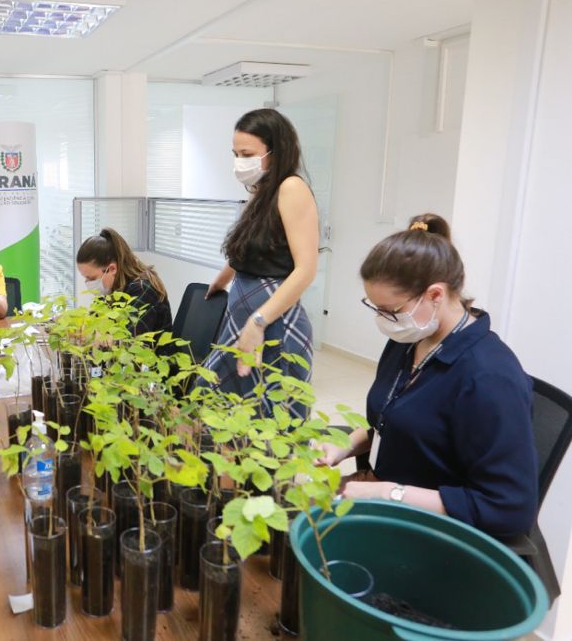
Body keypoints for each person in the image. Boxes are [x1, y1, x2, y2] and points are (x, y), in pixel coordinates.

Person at [319, 214, 537, 538]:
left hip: (436, 534)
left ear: (435, 295)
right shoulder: (410, 339)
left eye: (390, 311)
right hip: (385, 500)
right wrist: (345, 444)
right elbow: (401, 420)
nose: (383, 320)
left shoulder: (489, 378)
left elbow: (508, 509)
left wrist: (387, 493)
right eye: (375, 308)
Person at [201, 109, 319, 405]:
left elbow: (305, 270)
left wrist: (258, 322)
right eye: (235, 153)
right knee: (219, 405)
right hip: (245, 315)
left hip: (272, 320)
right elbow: (250, 245)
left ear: (277, 150)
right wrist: (223, 278)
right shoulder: (262, 190)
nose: (240, 161)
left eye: (247, 153)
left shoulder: (292, 188)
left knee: (266, 421)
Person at [76, 227, 172, 336]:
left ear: (112, 269)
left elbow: (128, 341)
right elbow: (93, 322)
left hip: (153, 352)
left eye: (92, 278)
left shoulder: (143, 289)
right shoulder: (110, 289)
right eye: (86, 278)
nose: (88, 283)